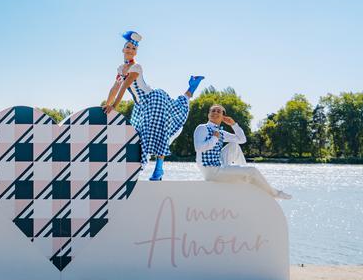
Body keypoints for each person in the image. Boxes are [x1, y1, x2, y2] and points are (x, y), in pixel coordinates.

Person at [104, 31, 204, 181]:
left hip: (153, 100)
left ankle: (158, 169)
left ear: (136, 52)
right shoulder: (120, 69)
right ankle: (192, 86)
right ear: (123, 49)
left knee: (157, 131)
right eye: (128, 47)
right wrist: (107, 105)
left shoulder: (136, 67)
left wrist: (115, 106)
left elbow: (124, 87)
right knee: (137, 135)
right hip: (140, 106)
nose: (130, 50)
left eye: (133, 48)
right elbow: (114, 88)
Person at [194, 104, 292, 199]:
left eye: (218, 111)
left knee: (234, 145)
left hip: (219, 165)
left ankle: (245, 175)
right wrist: (214, 138)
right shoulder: (202, 128)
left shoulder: (220, 132)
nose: (215, 112)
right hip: (211, 171)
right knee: (252, 171)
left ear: (223, 117)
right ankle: (274, 194)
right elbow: (199, 148)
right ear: (208, 114)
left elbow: (242, 139)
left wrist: (233, 124)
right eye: (213, 111)